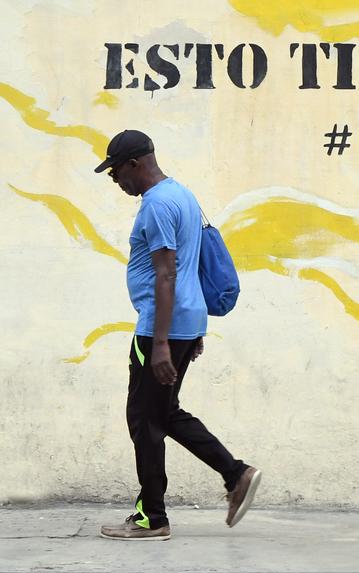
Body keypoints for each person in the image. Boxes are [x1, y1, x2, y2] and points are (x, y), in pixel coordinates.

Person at [94, 130, 261, 540]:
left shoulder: (156, 206)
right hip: (183, 321)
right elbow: (192, 265)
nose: (116, 181)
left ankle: (153, 517)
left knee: (144, 421)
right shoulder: (183, 195)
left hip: (159, 328)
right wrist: (191, 329)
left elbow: (167, 273)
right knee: (163, 414)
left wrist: (163, 343)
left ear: (135, 164)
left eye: (116, 172)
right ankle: (236, 474)